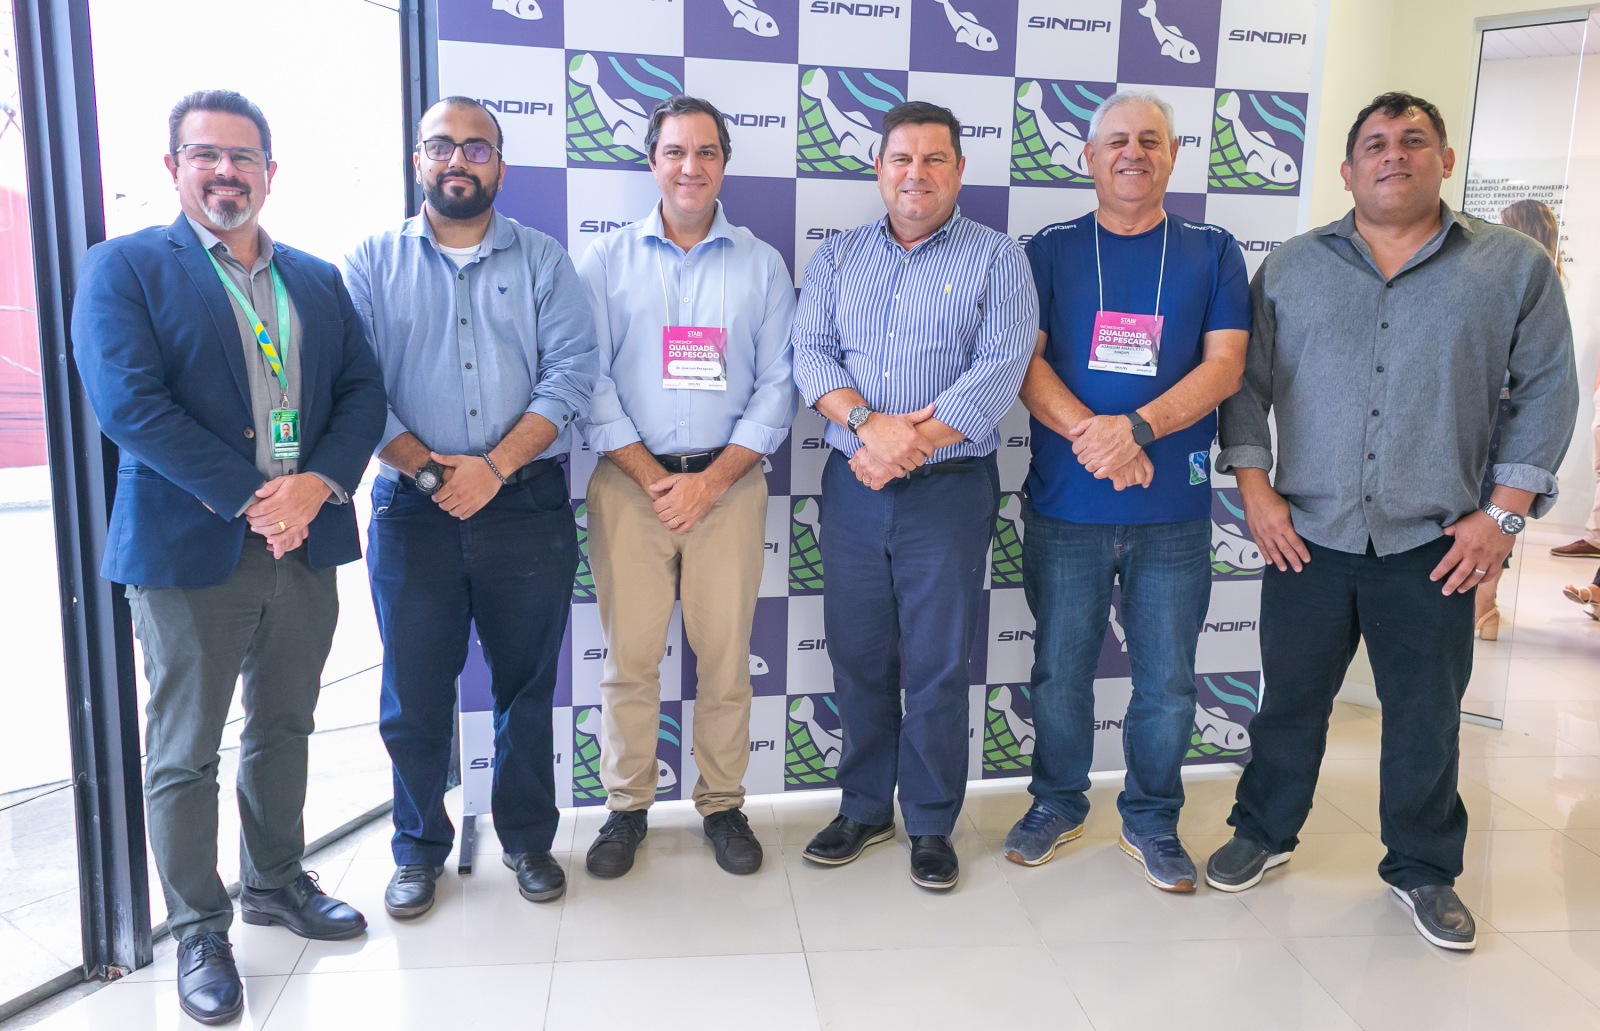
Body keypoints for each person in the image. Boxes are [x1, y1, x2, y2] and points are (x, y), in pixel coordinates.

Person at [1211, 92, 1578, 952]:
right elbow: (1244, 387)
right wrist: (1255, 490)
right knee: (1290, 701)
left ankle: (1423, 867)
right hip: (1307, 534)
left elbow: (1548, 392)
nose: (1394, 155)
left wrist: (1504, 517)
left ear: (1444, 160)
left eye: (1414, 140)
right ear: (1348, 171)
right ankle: (1263, 829)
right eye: (1375, 143)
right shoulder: (1291, 268)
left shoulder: (1512, 268)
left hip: (1436, 542)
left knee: (1426, 715)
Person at [73, 90, 386, 1024]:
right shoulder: (125, 267)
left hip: (306, 540)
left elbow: (363, 393)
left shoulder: (315, 278)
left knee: (285, 722)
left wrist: (316, 485)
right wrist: (258, 497)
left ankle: (275, 880)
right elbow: (129, 405)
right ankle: (198, 927)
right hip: (188, 549)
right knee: (184, 748)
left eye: (244, 157)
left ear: (270, 173)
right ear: (173, 167)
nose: (225, 171)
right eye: (205, 154)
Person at [344, 97, 596, 915]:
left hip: (525, 506)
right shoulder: (371, 262)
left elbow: (571, 375)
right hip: (411, 513)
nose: (459, 159)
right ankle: (418, 847)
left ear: (500, 164)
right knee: (414, 692)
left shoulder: (545, 261)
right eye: (442, 145)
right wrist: (433, 475)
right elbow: (353, 387)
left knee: (527, 686)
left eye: (477, 147)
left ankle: (526, 839)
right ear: (419, 158)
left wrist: (492, 468)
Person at [1003, 90, 1249, 891]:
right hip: (1067, 508)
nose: (1133, 152)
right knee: (1059, 672)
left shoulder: (1213, 251)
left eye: (1150, 139)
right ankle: (1057, 801)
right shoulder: (1049, 250)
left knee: (1168, 683)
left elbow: (1225, 366)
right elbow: (1024, 365)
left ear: (1174, 154)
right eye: (1116, 140)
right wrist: (1101, 441)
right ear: (1089, 156)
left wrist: (1136, 429)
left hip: (1171, 512)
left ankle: (1151, 817)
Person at [790, 101, 1037, 890]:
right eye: (902, 158)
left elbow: (999, 369)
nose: (916, 173)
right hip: (855, 485)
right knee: (859, 653)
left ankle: (930, 819)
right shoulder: (837, 258)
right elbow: (810, 354)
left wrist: (906, 445)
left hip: (949, 491)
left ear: (959, 170)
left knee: (936, 662)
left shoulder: (999, 258)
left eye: (935, 159)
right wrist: (870, 428)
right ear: (879, 168)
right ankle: (864, 806)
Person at [575, 96, 797, 878]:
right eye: (675, 151)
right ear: (652, 162)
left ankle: (723, 804)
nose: (690, 167)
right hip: (628, 487)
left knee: (725, 659)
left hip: (728, 487)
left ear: (724, 163)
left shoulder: (761, 264)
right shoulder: (606, 261)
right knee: (630, 659)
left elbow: (779, 385)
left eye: (706, 152)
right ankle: (626, 807)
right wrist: (654, 477)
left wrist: (711, 480)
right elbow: (588, 378)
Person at [1471, 199, 1564, 637]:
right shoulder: (1550, 280)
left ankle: (1481, 604)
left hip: (1498, 406)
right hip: (1512, 409)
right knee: (1496, 503)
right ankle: (1485, 604)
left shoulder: (1520, 276)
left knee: (1490, 505)